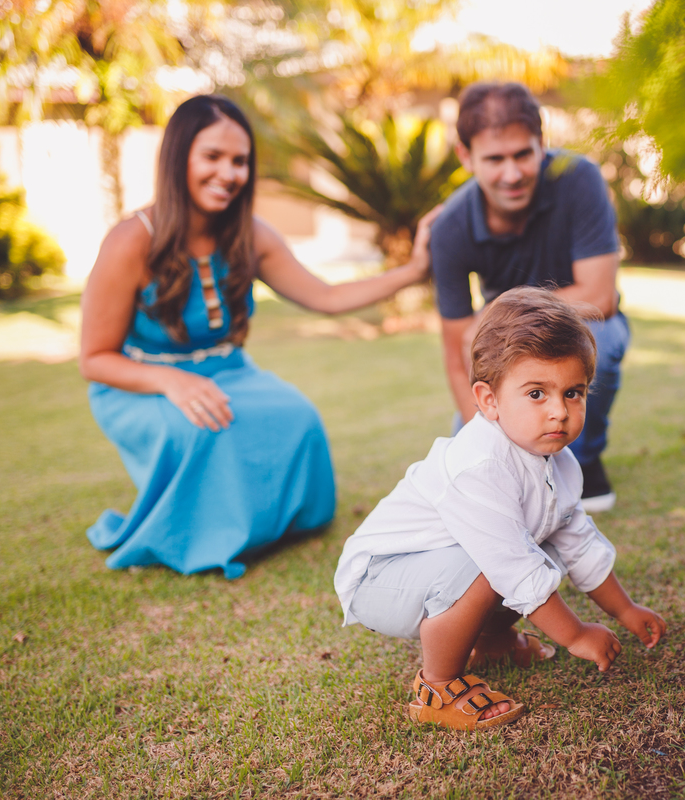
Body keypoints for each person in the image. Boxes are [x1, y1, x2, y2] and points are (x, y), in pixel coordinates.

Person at [79, 94, 438, 579]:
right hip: (137, 383)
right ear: (177, 156)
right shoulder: (130, 240)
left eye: (240, 161)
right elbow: (94, 359)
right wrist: (170, 381)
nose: (228, 173)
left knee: (298, 418)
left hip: (228, 369)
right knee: (204, 431)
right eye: (212, 157)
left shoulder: (251, 234)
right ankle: (204, 534)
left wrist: (414, 270)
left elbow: (327, 297)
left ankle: (272, 526)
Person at [333, 287, 666, 730]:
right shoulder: (480, 464)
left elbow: (580, 543)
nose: (558, 412)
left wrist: (624, 609)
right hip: (381, 579)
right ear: (489, 400)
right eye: (535, 394)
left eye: (573, 393)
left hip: (445, 568)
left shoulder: (559, 463)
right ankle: (436, 684)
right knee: (502, 565)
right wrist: (576, 634)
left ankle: (490, 640)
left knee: (545, 551)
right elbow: (511, 567)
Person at [428, 81, 628, 513]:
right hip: (506, 346)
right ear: (466, 157)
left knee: (605, 342)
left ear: (543, 143)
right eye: (495, 159)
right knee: (473, 435)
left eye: (522, 154)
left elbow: (600, 296)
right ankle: (518, 469)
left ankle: (582, 459)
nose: (512, 173)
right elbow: (457, 348)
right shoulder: (449, 227)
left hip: (579, 323)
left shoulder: (578, 179)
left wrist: (501, 315)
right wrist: (478, 433)